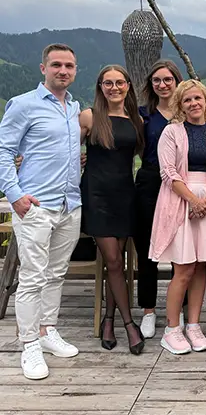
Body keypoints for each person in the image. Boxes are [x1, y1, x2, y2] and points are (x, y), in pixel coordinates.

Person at [0, 43, 81, 380]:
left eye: (69, 66)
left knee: (56, 273)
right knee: (32, 277)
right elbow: (4, 151)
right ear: (43, 68)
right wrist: (15, 195)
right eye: (56, 65)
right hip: (35, 206)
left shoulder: (74, 108)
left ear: (75, 70)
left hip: (69, 204)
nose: (63, 71)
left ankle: (47, 330)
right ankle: (29, 343)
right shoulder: (23, 105)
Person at [149, 80, 206, 355]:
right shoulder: (171, 132)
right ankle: (172, 329)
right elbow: (168, 172)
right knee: (183, 269)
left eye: (197, 98)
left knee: (201, 267)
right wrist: (193, 200)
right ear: (180, 105)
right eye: (187, 100)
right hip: (180, 201)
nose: (193, 103)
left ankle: (194, 325)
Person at [80, 65, 145, 355]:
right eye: (108, 83)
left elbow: (146, 155)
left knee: (115, 263)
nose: (114, 88)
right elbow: (64, 149)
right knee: (115, 261)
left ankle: (108, 320)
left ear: (128, 86)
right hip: (96, 195)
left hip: (125, 195)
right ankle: (129, 324)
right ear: (100, 87)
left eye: (119, 82)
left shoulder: (136, 120)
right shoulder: (90, 116)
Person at [133, 60, 184, 339]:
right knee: (146, 247)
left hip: (181, 184)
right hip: (150, 180)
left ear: (177, 81)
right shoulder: (143, 115)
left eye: (167, 79)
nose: (162, 85)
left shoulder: (187, 112)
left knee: (181, 246)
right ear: (150, 85)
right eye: (157, 81)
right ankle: (149, 310)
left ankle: (180, 308)